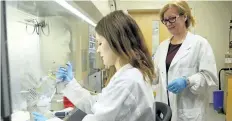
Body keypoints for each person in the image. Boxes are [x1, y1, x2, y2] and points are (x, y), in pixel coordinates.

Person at [33, 10, 156, 121]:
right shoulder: (130, 75)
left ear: (115, 42)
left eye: (100, 43)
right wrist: (70, 83)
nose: (98, 50)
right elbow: (98, 104)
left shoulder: (127, 82)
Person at [153, 1, 218, 121]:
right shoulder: (162, 46)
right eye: (165, 20)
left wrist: (187, 81)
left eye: (172, 18)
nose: (168, 23)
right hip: (165, 109)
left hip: (189, 110)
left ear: (184, 16)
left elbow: (210, 77)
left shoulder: (200, 44)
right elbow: (156, 75)